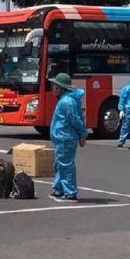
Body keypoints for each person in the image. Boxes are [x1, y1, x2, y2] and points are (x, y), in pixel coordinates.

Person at [48, 73, 88, 203]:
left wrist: (82, 134)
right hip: (62, 137)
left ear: (61, 88)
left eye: (55, 85)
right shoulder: (66, 100)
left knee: (65, 164)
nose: (53, 88)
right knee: (60, 163)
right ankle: (60, 189)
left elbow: (75, 120)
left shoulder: (66, 101)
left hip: (65, 137)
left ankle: (70, 193)